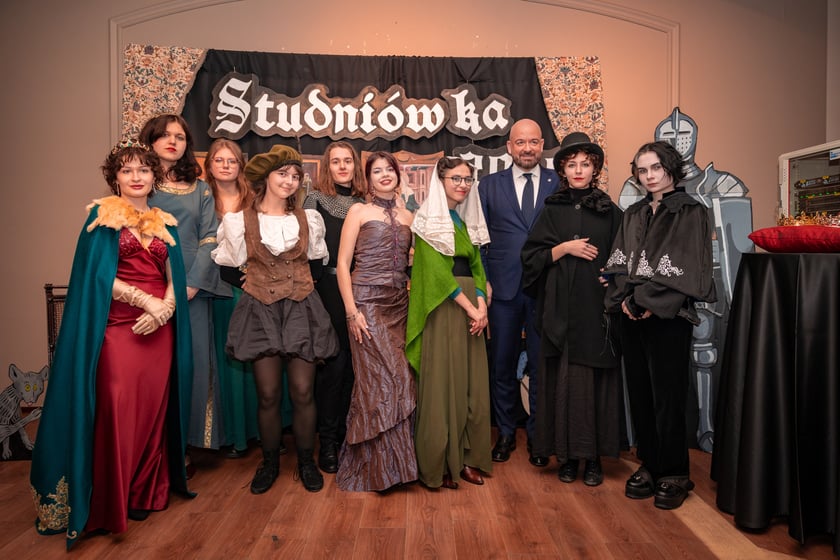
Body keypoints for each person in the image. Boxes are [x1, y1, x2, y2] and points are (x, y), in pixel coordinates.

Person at [30, 141, 192, 548]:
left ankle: (142, 492)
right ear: (114, 177)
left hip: (160, 329)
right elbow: (95, 277)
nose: (136, 177)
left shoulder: (166, 222)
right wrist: (144, 302)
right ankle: (107, 500)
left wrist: (166, 308)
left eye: (143, 170)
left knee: (152, 411)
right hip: (118, 326)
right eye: (127, 170)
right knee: (116, 408)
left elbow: (175, 273)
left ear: (154, 177)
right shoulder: (101, 219)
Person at [212, 145, 338, 493]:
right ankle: (269, 463)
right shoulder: (239, 221)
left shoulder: (308, 219)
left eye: (295, 176)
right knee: (267, 394)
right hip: (261, 310)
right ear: (265, 177)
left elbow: (317, 264)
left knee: (302, 391)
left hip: (301, 309)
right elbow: (226, 267)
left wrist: (299, 285)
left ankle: (306, 462)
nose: (290, 181)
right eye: (283, 174)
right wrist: (253, 282)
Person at [603, 141, 716, 510]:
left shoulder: (691, 211)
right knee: (640, 393)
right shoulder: (634, 212)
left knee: (669, 396)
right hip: (631, 317)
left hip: (669, 317)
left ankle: (675, 472)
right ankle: (650, 464)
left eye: (656, 168)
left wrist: (644, 300)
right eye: (642, 170)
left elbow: (685, 265)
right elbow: (619, 262)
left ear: (671, 169)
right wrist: (626, 298)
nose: (649, 176)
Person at [521, 132, 623, 487]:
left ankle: (592, 459)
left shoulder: (610, 211)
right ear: (563, 170)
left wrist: (613, 278)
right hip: (560, 312)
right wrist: (564, 248)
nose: (579, 170)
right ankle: (566, 457)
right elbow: (530, 259)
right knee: (563, 383)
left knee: (592, 384)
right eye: (572, 164)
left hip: (595, 312)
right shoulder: (551, 209)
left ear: (595, 169)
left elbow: (625, 255)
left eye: (585, 164)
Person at [140, 114, 231, 463]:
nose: (172, 142)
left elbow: (210, 238)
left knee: (192, 365)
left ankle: (186, 447)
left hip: (193, 291)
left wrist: (190, 284)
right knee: (151, 368)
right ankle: (149, 449)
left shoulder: (200, 188)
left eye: (179, 137)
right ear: (150, 141)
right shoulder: (138, 183)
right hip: (146, 289)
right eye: (164, 135)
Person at [406, 156, 492, 489]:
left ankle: (467, 458)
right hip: (445, 307)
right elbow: (438, 274)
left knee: (472, 385)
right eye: (456, 178)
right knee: (444, 384)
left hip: (471, 308)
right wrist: (471, 308)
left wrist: (481, 304)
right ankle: (440, 463)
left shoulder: (465, 220)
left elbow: (478, 267)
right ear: (440, 181)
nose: (462, 185)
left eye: (467, 179)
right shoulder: (427, 219)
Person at [478, 118, 560, 466]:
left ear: (542, 145)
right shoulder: (488, 185)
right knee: (502, 364)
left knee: (541, 366)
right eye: (520, 142)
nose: (527, 148)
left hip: (546, 289)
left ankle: (539, 437)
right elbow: (479, 239)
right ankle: (506, 433)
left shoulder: (559, 183)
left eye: (533, 142)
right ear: (509, 147)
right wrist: (484, 280)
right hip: (503, 290)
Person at [334, 151, 418, 491]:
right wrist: (351, 311)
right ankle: (375, 470)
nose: (384, 175)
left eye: (389, 169)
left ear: (398, 175)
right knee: (376, 382)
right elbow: (342, 264)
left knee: (402, 379)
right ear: (368, 179)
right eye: (377, 171)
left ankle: (397, 467)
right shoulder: (358, 211)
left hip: (399, 304)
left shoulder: (409, 215)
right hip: (365, 302)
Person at [302, 141, 366, 474]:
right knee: (332, 369)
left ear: (356, 165)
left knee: (356, 370)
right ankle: (327, 442)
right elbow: (305, 251)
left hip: (363, 290)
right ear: (327, 167)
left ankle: (348, 438)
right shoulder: (315, 200)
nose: (342, 167)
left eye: (348, 161)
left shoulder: (366, 203)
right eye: (336, 161)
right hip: (327, 291)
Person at [204, 138, 261, 458]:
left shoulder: (254, 198)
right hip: (216, 289)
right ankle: (234, 433)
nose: (226, 166)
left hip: (253, 286)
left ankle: (262, 431)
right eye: (219, 160)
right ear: (209, 165)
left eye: (232, 160)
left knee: (258, 359)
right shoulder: (202, 198)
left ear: (241, 165)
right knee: (229, 360)